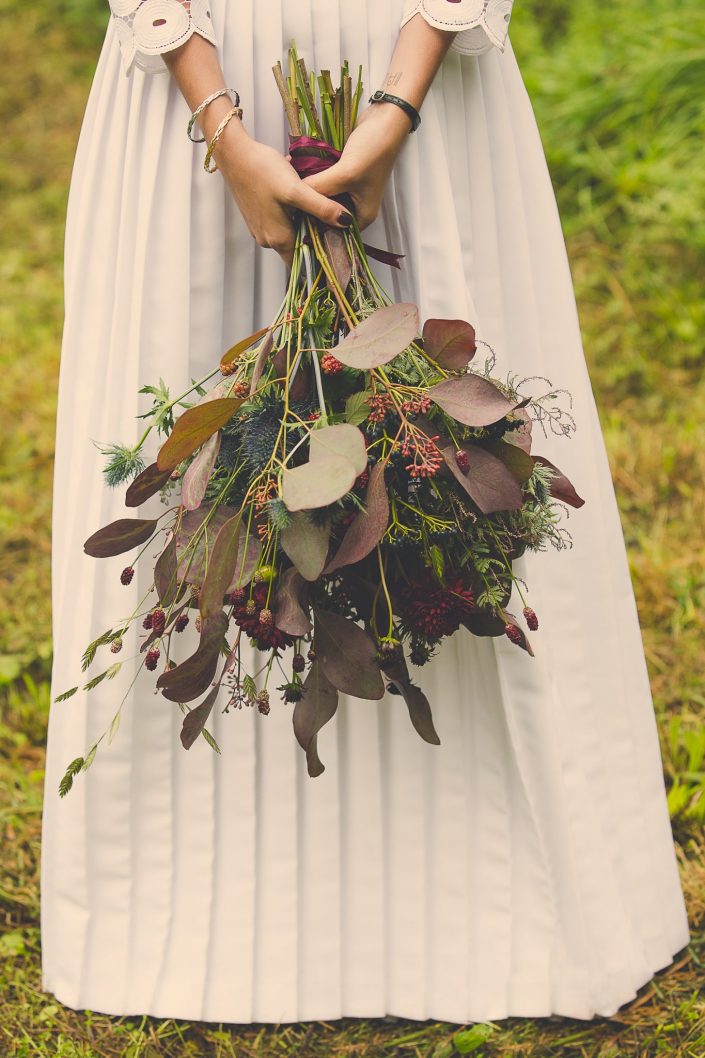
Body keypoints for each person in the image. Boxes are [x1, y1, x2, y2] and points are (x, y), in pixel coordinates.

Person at [40, 0, 690, 1024]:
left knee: (442, 444)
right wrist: (224, 127)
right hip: (198, 75)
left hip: (419, 68)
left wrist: (396, 102)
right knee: (210, 469)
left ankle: (501, 895)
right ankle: (185, 910)